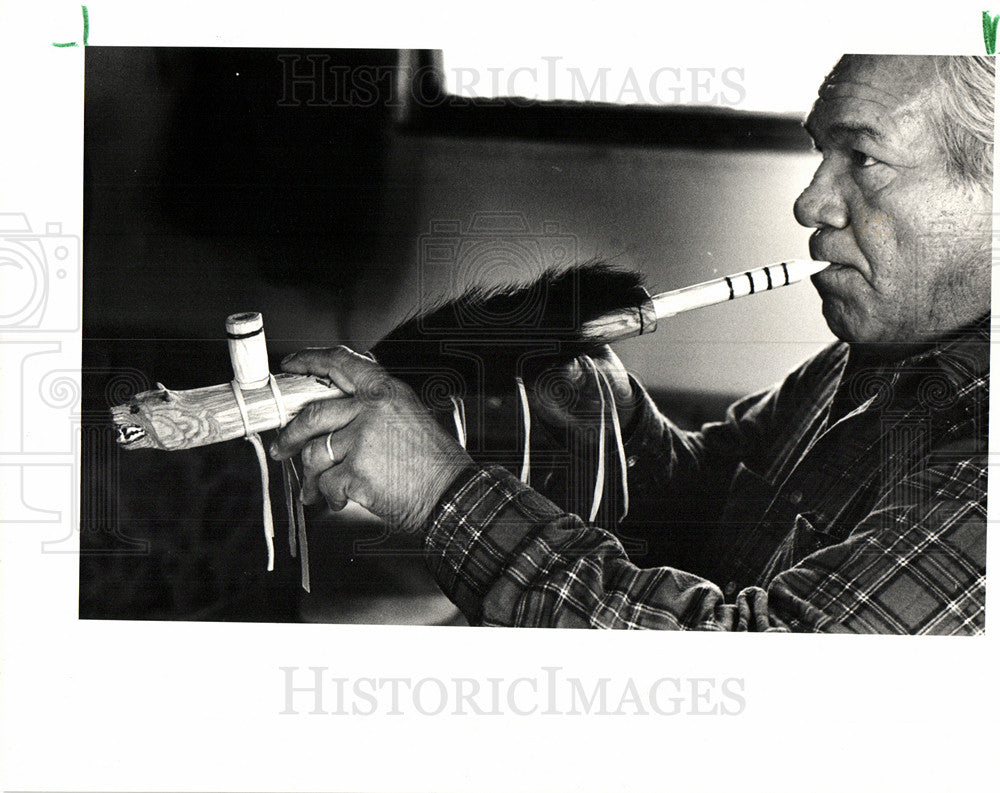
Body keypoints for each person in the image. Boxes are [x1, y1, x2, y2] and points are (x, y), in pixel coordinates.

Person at [270, 55, 992, 632]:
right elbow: (705, 497)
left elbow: (753, 684)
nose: (809, 201)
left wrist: (437, 492)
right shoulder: (863, 359)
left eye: (862, 158)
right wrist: (617, 414)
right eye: (820, 151)